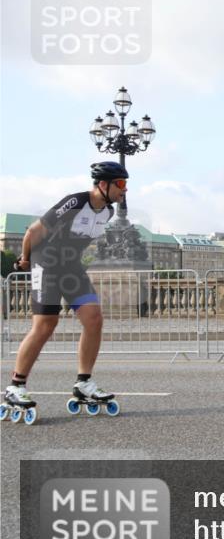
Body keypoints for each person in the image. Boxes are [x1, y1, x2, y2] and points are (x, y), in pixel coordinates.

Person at [1, 161, 130, 424]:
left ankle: (83, 382)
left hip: (70, 267)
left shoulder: (106, 212)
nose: (124, 190)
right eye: (120, 184)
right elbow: (34, 231)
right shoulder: (74, 202)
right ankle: (16, 386)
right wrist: (24, 260)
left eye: (126, 185)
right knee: (45, 324)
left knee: (94, 319)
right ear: (102, 184)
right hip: (45, 263)